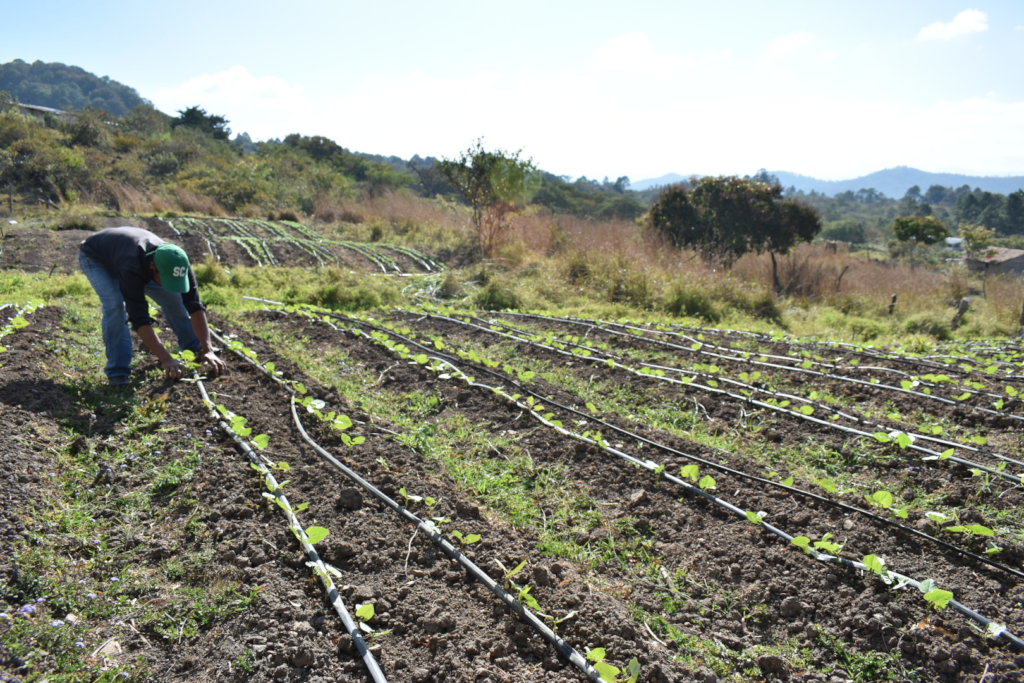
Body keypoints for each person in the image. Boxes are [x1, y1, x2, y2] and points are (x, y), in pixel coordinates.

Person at [79, 226, 227, 385]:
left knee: (174, 299)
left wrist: (208, 349)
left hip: (125, 252)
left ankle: (196, 350)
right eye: (166, 279)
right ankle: (118, 371)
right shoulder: (132, 267)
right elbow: (139, 319)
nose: (170, 283)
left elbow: (195, 306)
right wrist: (166, 359)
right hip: (96, 257)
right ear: (153, 268)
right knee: (115, 306)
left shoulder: (178, 261)